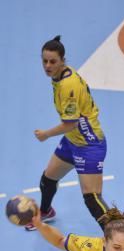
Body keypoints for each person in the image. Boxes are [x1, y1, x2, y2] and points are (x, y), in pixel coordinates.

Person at [25, 35, 109, 231]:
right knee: (48, 180)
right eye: (44, 61)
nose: (47, 65)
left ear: (63, 60)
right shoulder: (61, 75)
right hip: (73, 142)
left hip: (89, 145)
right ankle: (46, 212)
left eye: (53, 61)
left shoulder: (67, 86)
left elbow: (69, 124)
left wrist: (45, 134)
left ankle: (120, 235)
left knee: (92, 198)